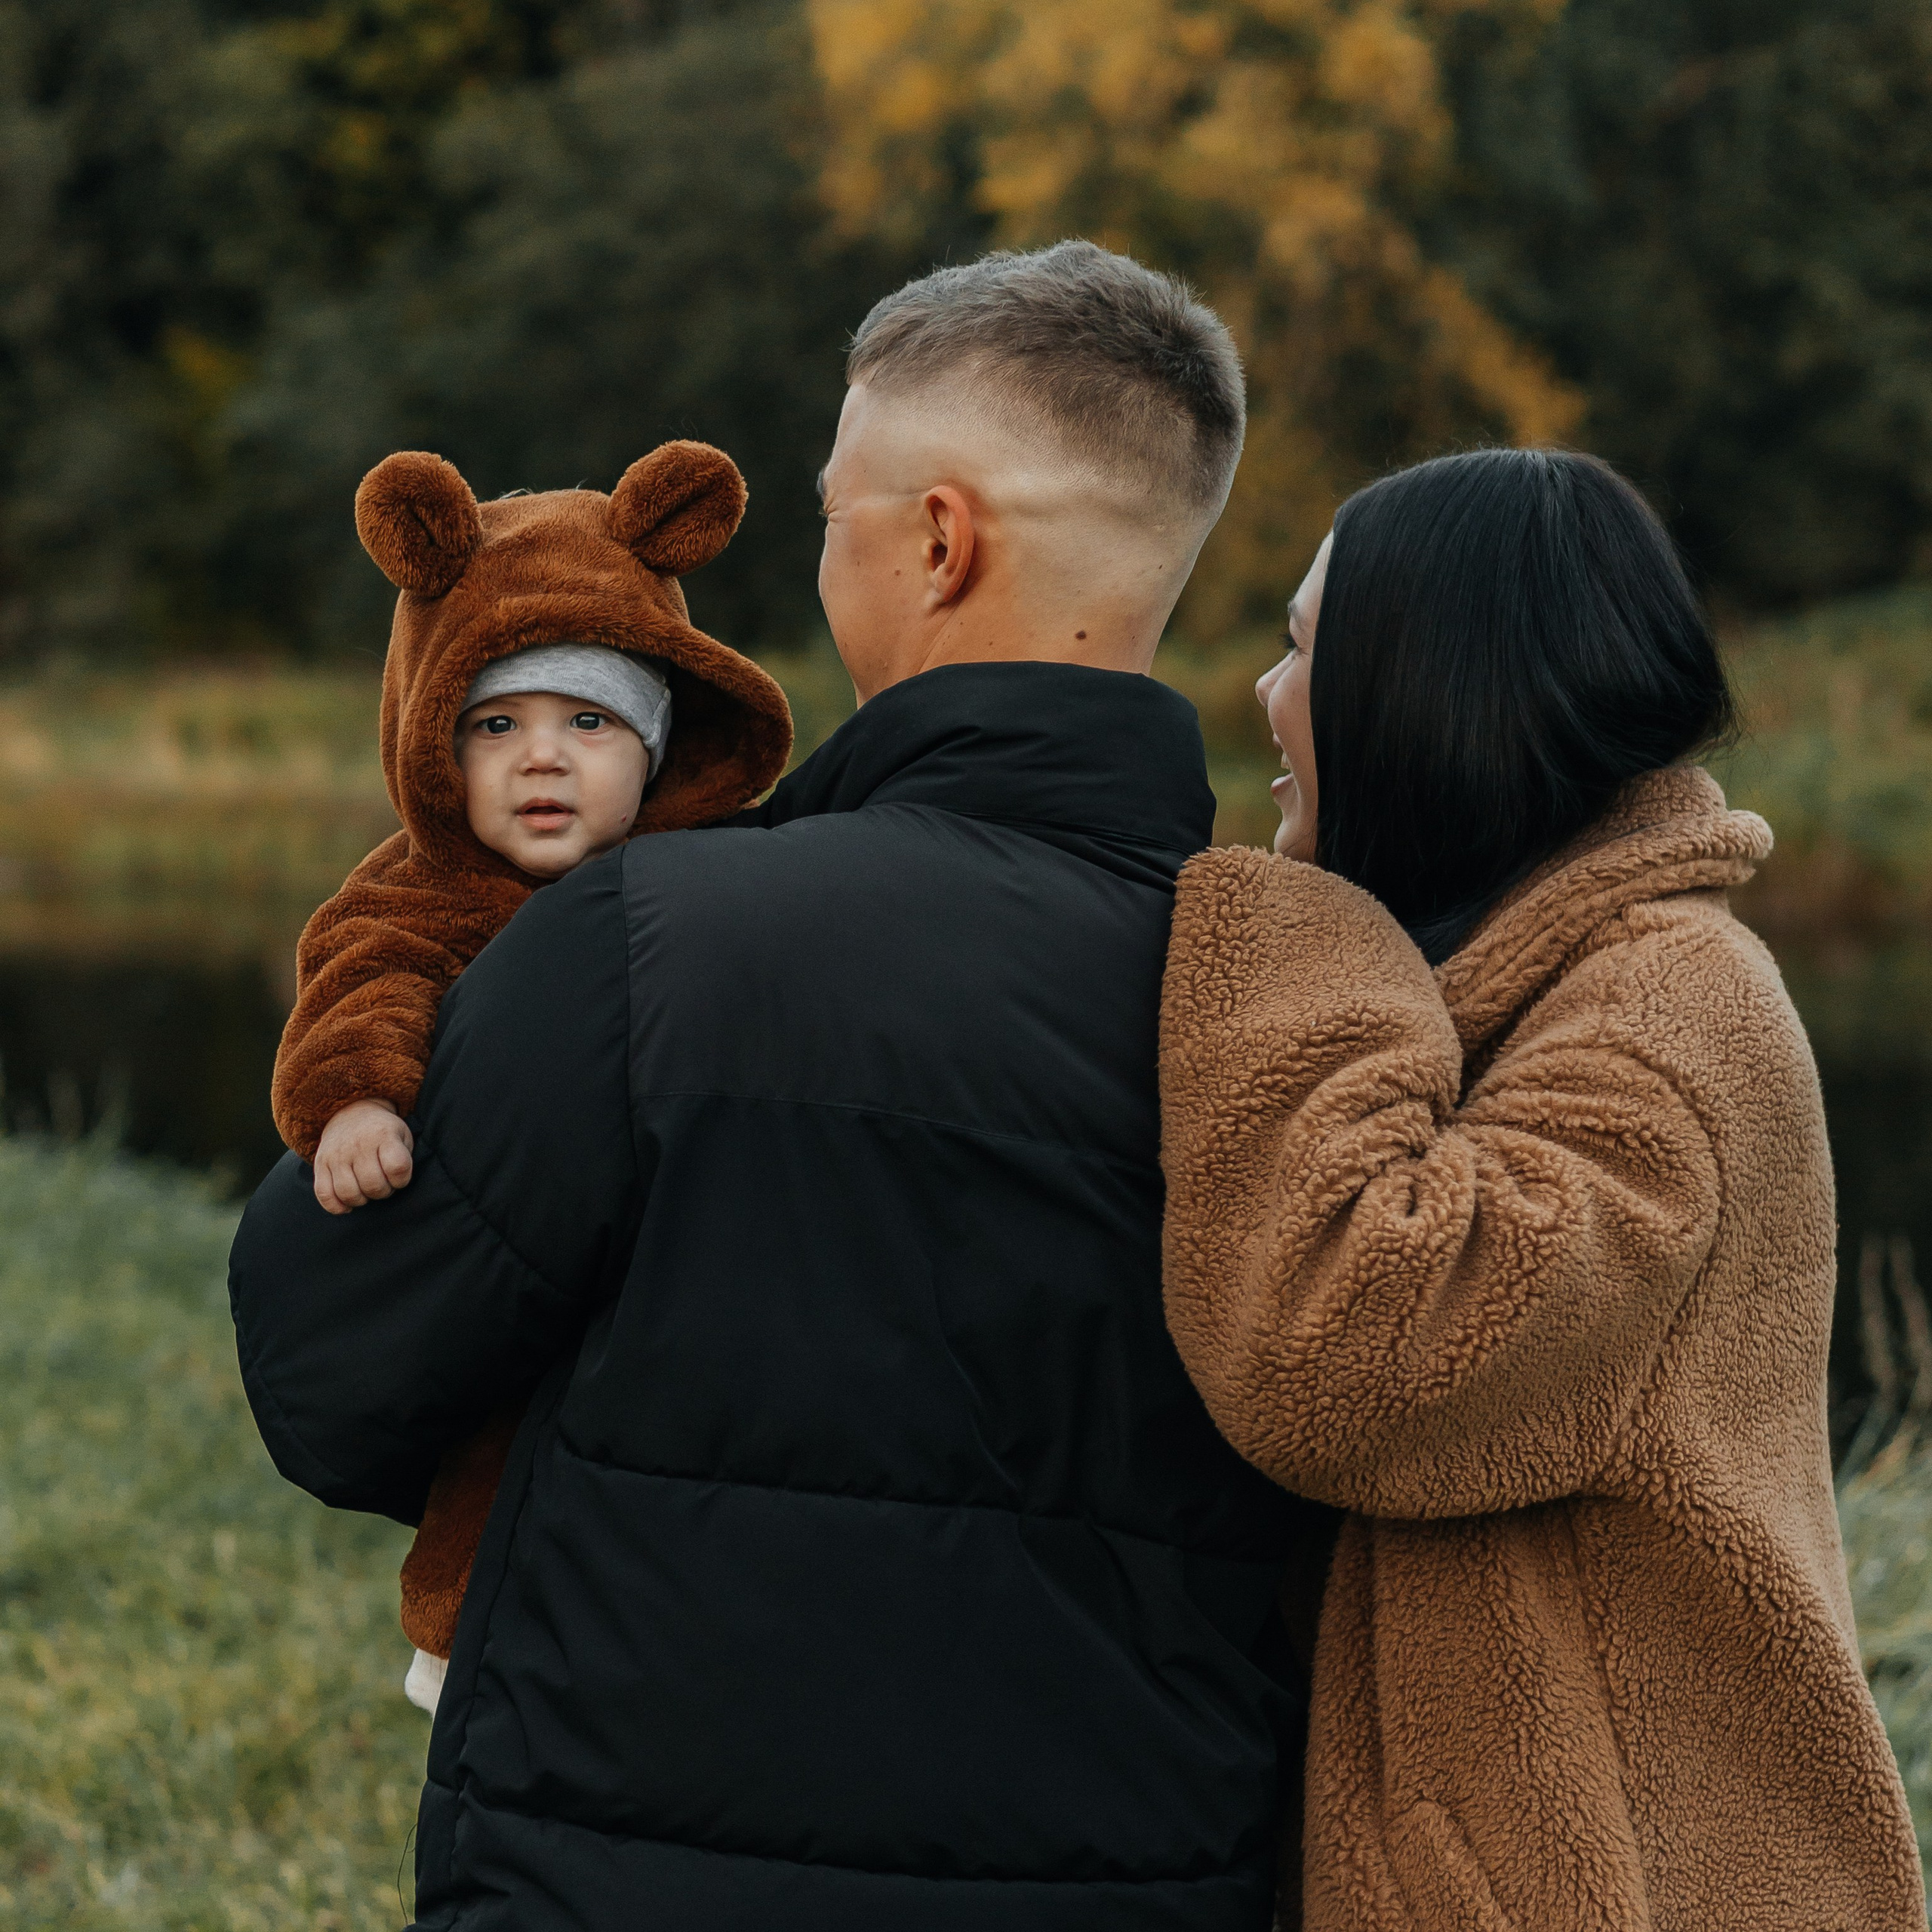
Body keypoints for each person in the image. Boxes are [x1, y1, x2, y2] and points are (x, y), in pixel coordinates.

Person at [229, 240, 1333, 1931]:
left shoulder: (645, 941)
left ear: (939, 541)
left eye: (831, 511)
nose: (822, 554)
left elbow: (332, 1363)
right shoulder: (1307, 994)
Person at [1157, 448, 1925, 1931]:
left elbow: (1347, 1352)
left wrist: (1297, 944)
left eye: (1306, 647)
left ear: (1431, 692)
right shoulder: (1547, 990)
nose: (1264, 689)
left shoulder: (1673, 1013)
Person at [267, 441, 792, 1715]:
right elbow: (362, 977)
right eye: (495, 725)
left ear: (660, 744)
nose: (541, 759)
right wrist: (356, 1103)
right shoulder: (423, 890)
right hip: (511, 1258)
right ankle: (460, 1643)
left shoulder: (717, 877)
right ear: (434, 744)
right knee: (500, 1459)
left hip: (693, 1254)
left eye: (588, 722)